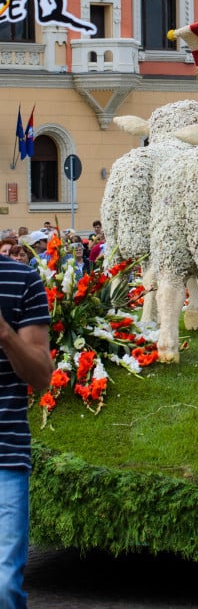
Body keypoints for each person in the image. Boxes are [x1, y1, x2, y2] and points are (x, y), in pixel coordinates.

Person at [0, 241, 53, 606]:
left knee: (4, 587)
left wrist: (4, 334)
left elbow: (42, 376)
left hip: (5, 455)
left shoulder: (22, 280)